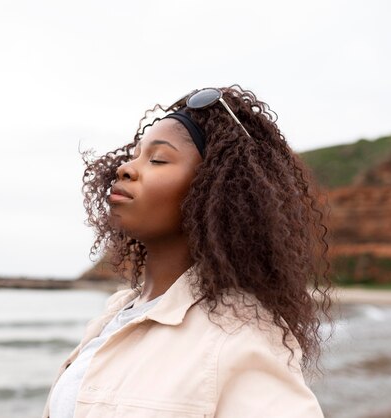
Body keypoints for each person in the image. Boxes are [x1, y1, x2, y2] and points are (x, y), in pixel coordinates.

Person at [42, 85, 332, 418]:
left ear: (215, 191)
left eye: (158, 159)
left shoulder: (239, 337)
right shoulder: (116, 315)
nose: (125, 169)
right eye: (133, 156)